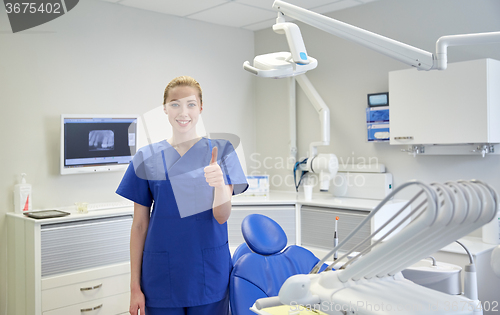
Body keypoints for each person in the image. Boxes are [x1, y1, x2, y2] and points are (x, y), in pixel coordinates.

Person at [116, 76, 248, 315]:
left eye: (190, 104)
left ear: (200, 108)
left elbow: (222, 216)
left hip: (208, 274)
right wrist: (134, 287)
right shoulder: (146, 157)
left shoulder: (222, 151)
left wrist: (219, 184)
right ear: (165, 109)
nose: (183, 111)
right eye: (175, 104)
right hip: (161, 276)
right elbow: (139, 226)